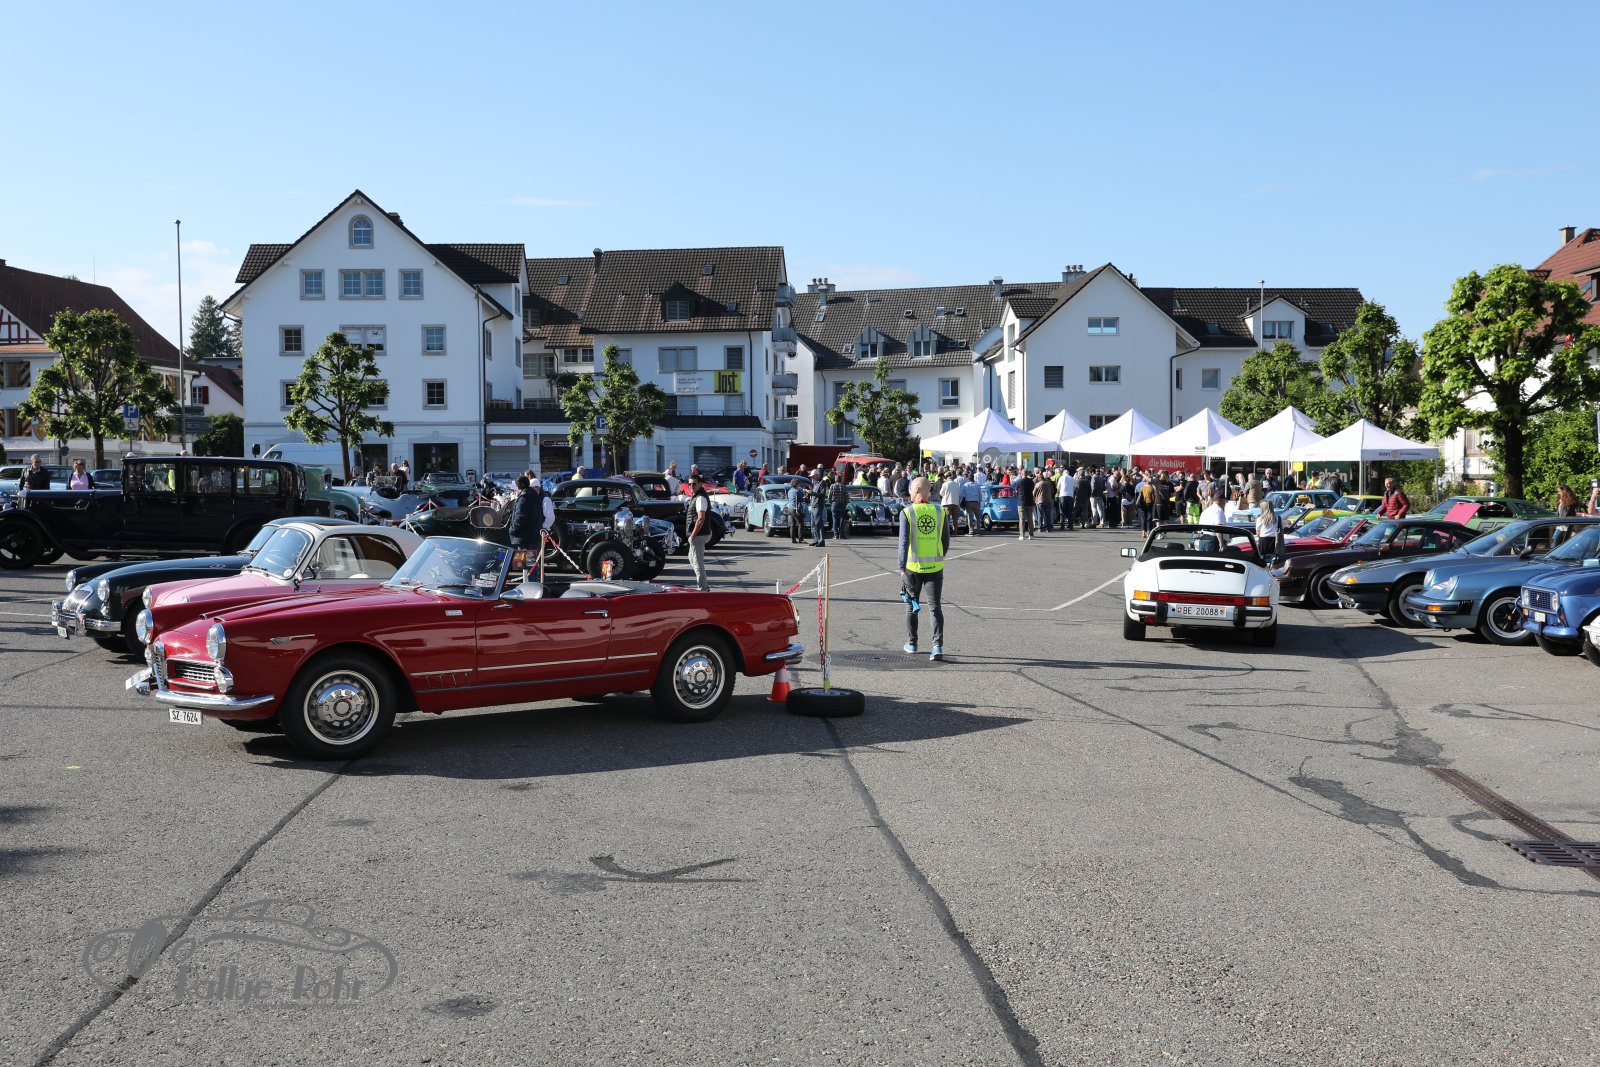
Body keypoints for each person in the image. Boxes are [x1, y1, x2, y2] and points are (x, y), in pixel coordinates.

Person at [899, 476, 949, 661]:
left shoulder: (907, 512)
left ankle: (912, 643)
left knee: (912, 606)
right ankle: (937, 646)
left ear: (918, 489)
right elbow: (945, 541)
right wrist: (939, 556)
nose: (909, 492)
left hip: (913, 568)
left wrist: (901, 567)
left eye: (911, 488)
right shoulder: (940, 511)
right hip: (935, 567)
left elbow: (903, 542)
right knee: (935, 607)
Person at [508, 474, 555, 581]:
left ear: (519, 486)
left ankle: (528, 587)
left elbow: (520, 518)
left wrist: (512, 530)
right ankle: (532, 585)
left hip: (524, 538)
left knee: (524, 567)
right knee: (531, 566)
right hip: (534, 536)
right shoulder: (537, 497)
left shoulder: (523, 498)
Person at [685, 474, 713, 591]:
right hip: (700, 533)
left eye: (694, 484)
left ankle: (703, 588)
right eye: (689, 484)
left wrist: (693, 535)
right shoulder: (696, 496)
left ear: (700, 484)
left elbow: (701, 519)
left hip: (699, 535)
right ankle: (704, 585)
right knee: (691, 558)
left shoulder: (700, 498)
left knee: (697, 562)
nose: (691, 486)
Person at [1014, 468, 1036, 540]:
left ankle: (1022, 535)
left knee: (1022, 519)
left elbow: (1016, 490)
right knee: (1030, 519)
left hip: (1021, 502)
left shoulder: (1019, 481)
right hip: (1030, 501)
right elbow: (1032, 489)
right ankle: (1031, 535)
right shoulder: (1031, 482)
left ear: (1022, 474)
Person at [809, 472, 830, 547]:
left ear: (817, 475)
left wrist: (812, 493)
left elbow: (822, 494)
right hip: (813, 505)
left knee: (818, 523)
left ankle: (821, 541)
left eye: (813, 476)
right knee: (813, 524)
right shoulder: (815, 483)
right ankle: (815, 540)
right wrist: (810, 493)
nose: (812, 478)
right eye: (811, 476)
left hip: (818, 505)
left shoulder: (822, 482)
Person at [829, 474, 851, 540]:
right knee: (841, 519)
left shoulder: (832, 486)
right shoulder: (843, 486)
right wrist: (846, 503)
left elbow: (829, 496)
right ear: (840, 479)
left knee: (835, 519)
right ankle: (841, 535)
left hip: (834, 504)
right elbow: (846, 496)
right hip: (842, 504)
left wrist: (831, 502)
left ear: (835, 479)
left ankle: (835, 535)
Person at [1034, 468, 1056, 533]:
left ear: (1039, 478)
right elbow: (1052, 491)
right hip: (1048, 500)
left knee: (1040, 515)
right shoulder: (1049, 483)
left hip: (1040, 501)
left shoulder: (1038, 484)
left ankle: (1040, 528)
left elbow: (1034, 493)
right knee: (1048, 515)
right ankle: (1048, 528)